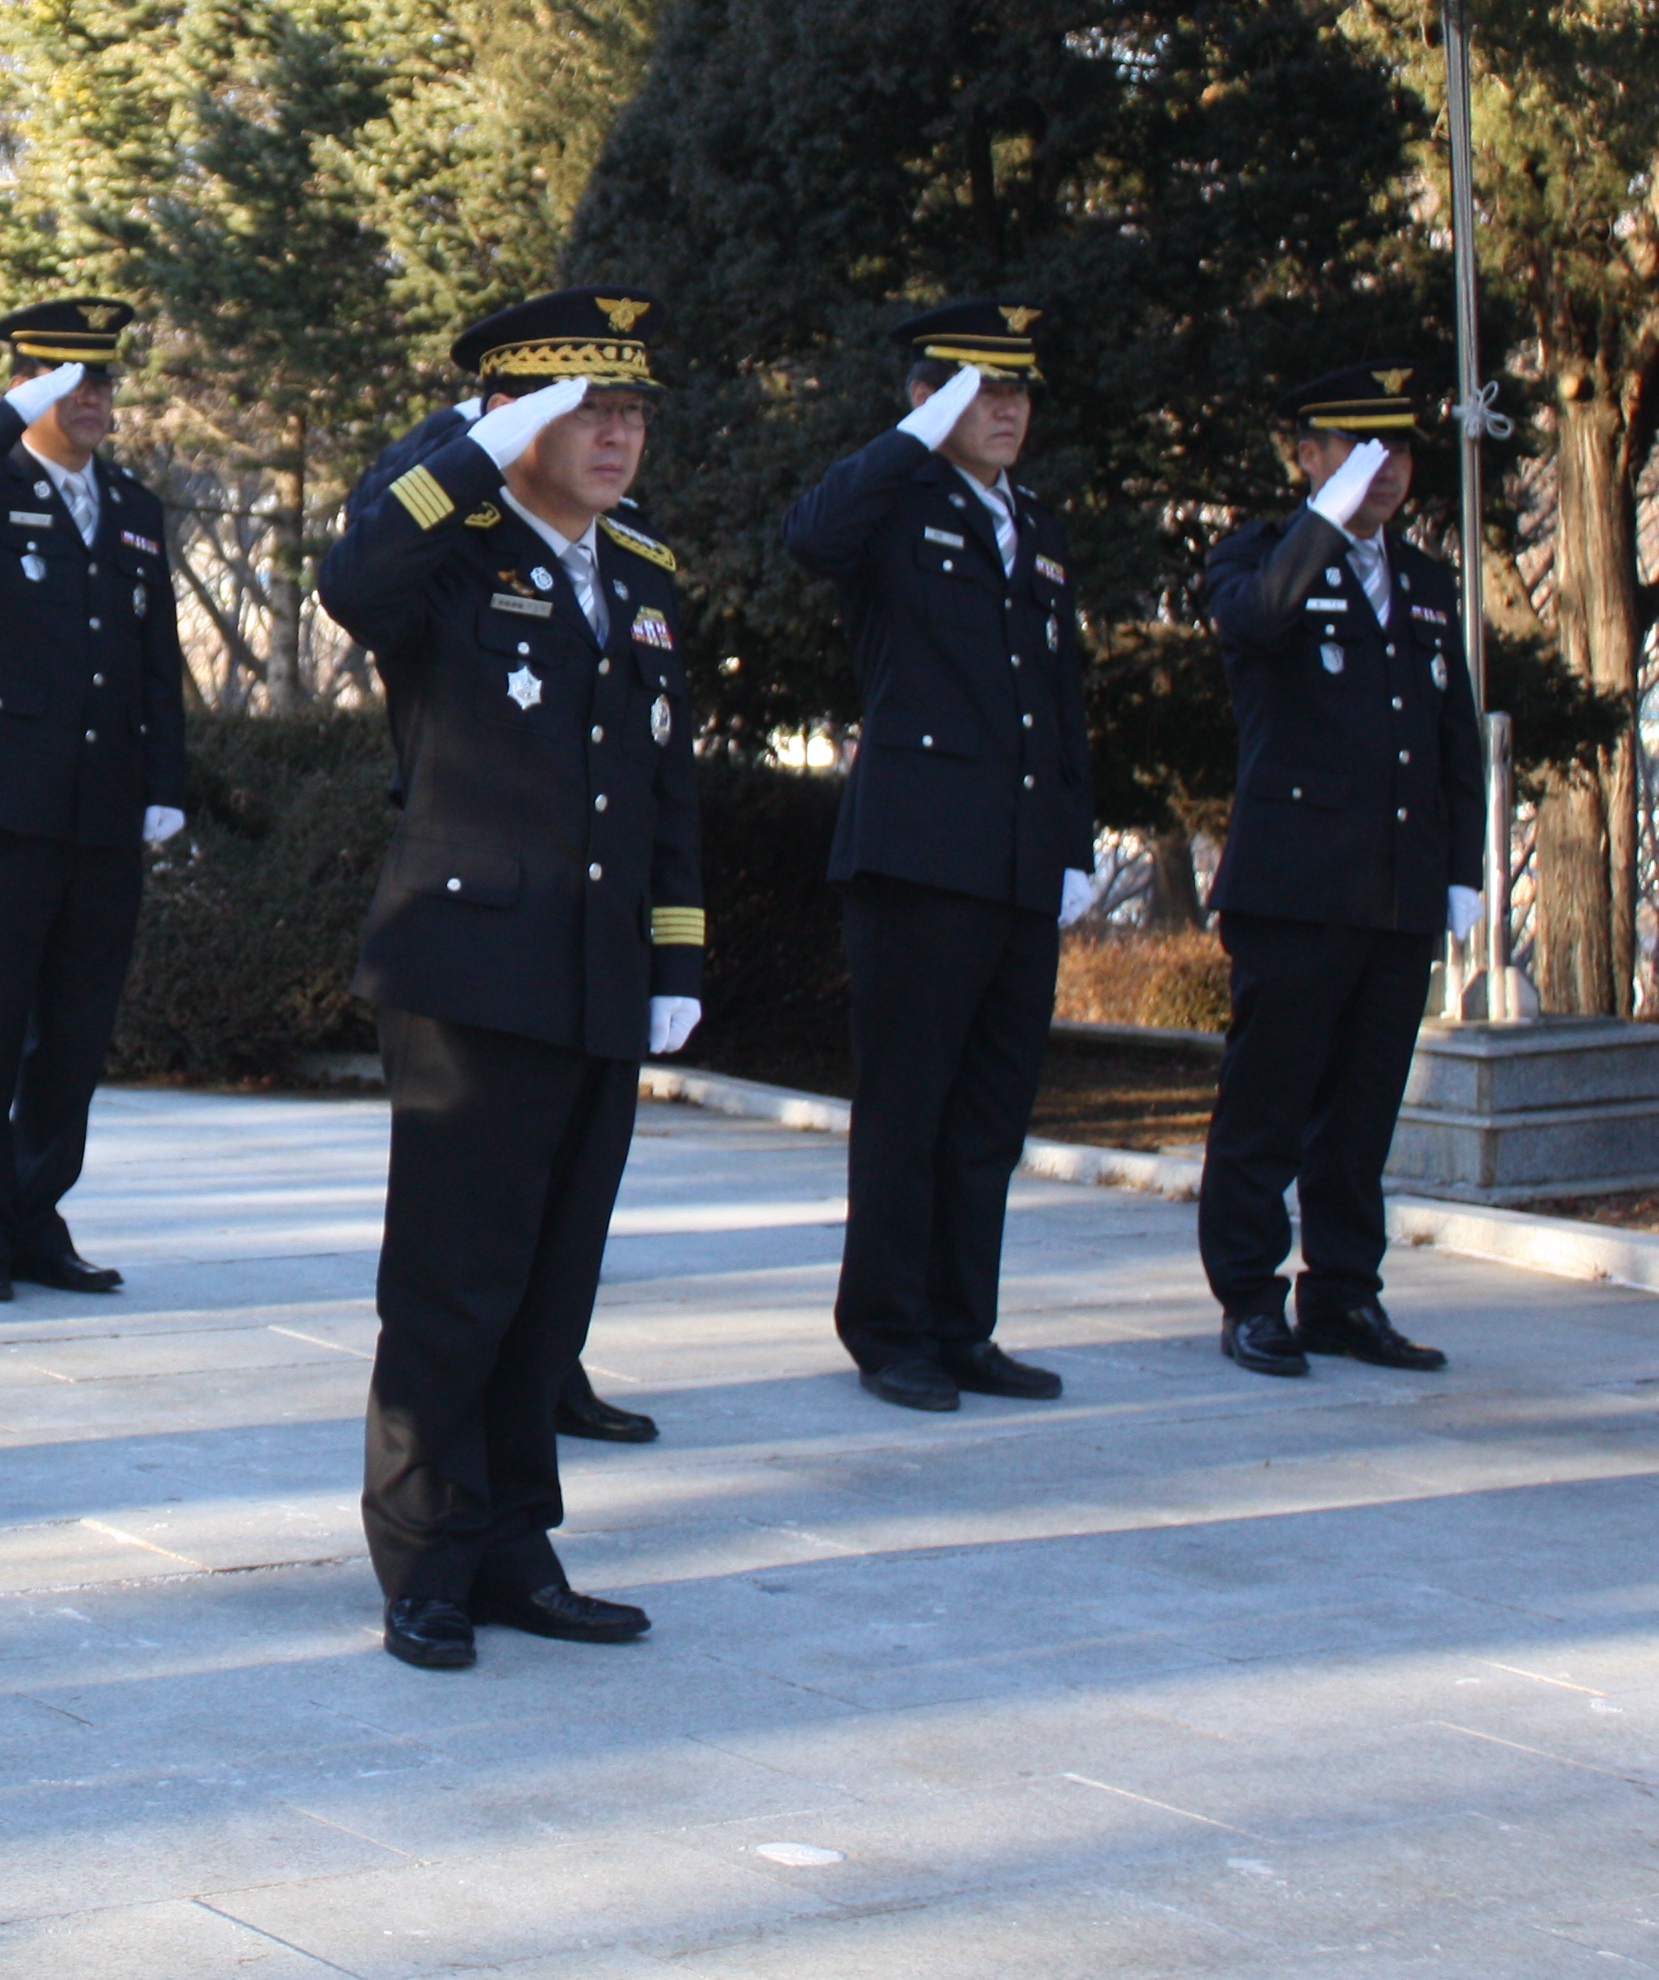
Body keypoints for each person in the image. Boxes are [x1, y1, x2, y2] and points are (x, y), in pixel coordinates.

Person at [316, 288, 702, 1674]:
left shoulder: (639, 572)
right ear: (513, 421)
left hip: (597, 970)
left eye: (631, 412)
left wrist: (675, 953)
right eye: (584, 411)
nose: (616, 435)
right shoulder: (449, 553)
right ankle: (426, 1556)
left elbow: (666, 786)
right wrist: (473, 442)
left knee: (550, 1289)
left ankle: (517, 1545)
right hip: (471, 969)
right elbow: (353, 578)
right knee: (453, 1284)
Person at [779, 301, 1097, 1412]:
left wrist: (1073, 841)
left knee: (989, 1116)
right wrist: (911, 437)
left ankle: (964, 1326)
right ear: (928, 398)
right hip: (918, 859)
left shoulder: (1036, 525)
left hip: (1017, 859)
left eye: (1017, 391)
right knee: (908, 1111)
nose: (1006, 410)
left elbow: (1061, 698)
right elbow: (810, 536)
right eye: (979, 390)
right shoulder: (893, 505)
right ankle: (888, 1329)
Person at [1197, 365, 1483, 1379]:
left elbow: (1453, 739)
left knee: (1362, 1113)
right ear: (1307, 457)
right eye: (1359, 449)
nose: (1385, 468)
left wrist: (1462, 869)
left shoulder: (1428, 583)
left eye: (1397, 448)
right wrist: (1323, 522)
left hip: (1396, 891)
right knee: (1267, 1105)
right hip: (1295, 890)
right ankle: (1248, 1293)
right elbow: (1256, 621)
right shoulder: (1259, 558)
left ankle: (1345, 1292)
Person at [0, 296, 186, 1302]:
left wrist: (165, 781)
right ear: (24, 388)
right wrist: (3, 417)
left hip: (103, 809)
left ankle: (37, 1216)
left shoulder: (132, 507)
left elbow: (156, 659)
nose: (91, 398)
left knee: (74, 1037)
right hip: (2, 808)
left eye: (102, 379)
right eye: (66, 380)